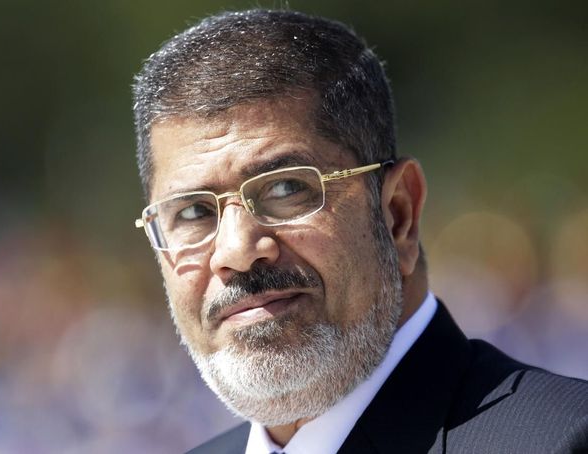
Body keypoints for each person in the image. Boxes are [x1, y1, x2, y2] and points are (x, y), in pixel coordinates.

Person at [131, 9, 588, 454]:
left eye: (287, 188)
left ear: (397, 214)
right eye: (192, 213)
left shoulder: (560, 439)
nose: (237, 250)